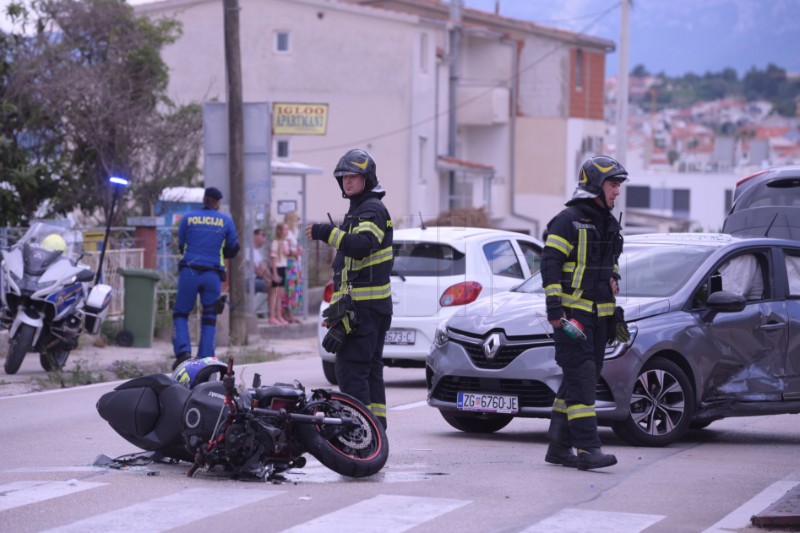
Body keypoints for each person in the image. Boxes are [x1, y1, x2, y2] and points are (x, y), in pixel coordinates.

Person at [540, 155, 628, 470]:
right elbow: (549, 264)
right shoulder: (568, 220)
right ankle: (588, 449)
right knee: (583, 382)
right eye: (613, 185)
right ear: (594, 185)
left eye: (618, 185)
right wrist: (554, 309)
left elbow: (610, 262)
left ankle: (559, 447)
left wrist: (613, 278)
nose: (617, 191)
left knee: (575, 383)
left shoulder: (608, 221)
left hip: (600, 319)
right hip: (572, 319)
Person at [304, 148, 393, 429]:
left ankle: (358, 433)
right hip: (365, 309)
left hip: (364, 311)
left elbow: (361, 246)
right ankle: (376, 431)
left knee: (352, 372)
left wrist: (325, 232)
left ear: (367, 178)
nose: (347, 182)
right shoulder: (361, 208)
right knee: (369, 372)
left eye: (354, 177)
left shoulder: (371, 209)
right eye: (343, 177)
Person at [172, 187, 239, 370]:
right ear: (217, 202)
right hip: (213, 276)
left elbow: (181, 245)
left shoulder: (188, 218)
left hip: (189, 272)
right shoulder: (226, 220)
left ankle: (183, 352)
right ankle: (206, 358)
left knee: (181, 313)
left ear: (204, 199)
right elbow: (233, 248)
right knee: (210, 317)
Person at [282, 211, 303, 324]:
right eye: (297, 219)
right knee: (291, 290)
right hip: (291, 264)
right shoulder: (288, 234)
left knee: (293, 289)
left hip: (294, 264)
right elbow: (288, 250)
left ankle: (290, 315)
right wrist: (297, 251)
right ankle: (289, 315)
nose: (299, 222)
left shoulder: (292, 234)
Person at [268, 222, 291, 325]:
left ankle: (279, 315)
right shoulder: (275, 242)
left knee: (280, 294)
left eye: (287, 229)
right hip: (276, 268)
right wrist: (275, 274)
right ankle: (272, 316)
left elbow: (287, 254)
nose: (286, 232)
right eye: (284, 230)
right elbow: (273, 258)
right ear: (279, 231)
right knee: (274, 293)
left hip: (283, 267)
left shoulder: (285, 242)